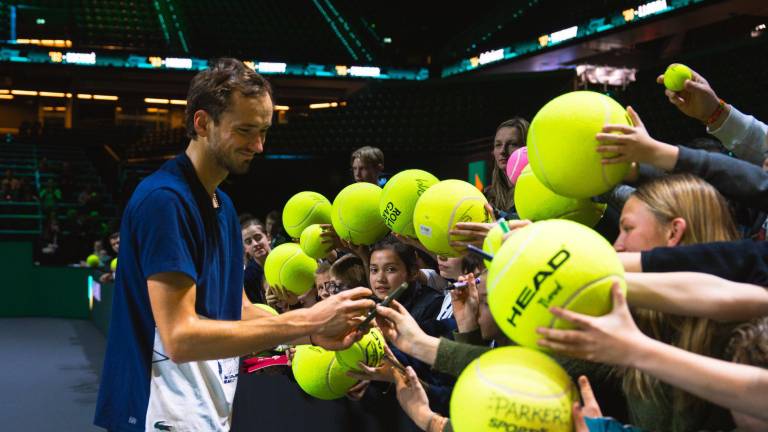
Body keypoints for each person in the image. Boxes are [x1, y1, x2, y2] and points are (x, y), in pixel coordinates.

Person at [94, 58, 374, 432]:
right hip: (156, 413)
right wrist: (304, 318)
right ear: (202, 123)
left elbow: (237, 310)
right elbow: (180, 336)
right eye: (245, 130)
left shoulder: (221, 205)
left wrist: (312, 334)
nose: (258, 145)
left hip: (208, 410)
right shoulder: (164, 201)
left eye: (264, 131)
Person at [612, 173, 739, 432]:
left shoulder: (746, 341)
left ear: (674, 232)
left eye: (628, 229)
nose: (617, 246)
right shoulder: (635, 318)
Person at [484, 118, 528, 214]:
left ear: (526, 148)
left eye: (512, 144)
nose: (502, 151)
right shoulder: (487, 196)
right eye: (498, 145)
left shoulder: (535, 190)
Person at [241, 218, 271, 304]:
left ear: (268, 237)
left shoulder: (285, 255)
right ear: (245, 248)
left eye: (258, 237)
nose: (255, 244)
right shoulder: (247, 279)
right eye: (248, 242)